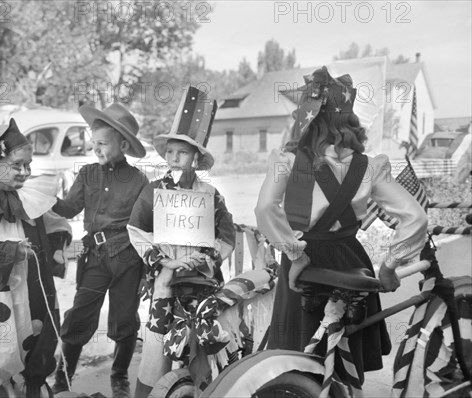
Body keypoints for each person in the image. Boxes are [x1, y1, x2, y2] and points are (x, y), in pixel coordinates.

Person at [254, 67, 428, 384]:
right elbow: (415, 217)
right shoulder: (369, 166)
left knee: (301, 354)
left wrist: (295, 254)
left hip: (305, 264)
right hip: (351, 260)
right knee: (346, 356)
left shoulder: (287, 160)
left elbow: (265, 208)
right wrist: (390, 264)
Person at [127, 86, 235, 398]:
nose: (175, 158)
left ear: (196, 158)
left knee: (201, 347)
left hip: (201, 280)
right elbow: (136, 230)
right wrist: (166, 261)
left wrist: (209, 257)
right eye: (171, 152)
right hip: (165, 281)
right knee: (158, 348)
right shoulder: (152, 191)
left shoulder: (210, 194)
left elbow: (225, 233)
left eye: (183, 152)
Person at [0, 118, 72, 397]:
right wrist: (10, 251)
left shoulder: (31, 202)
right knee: (0, 349)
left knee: (34, 340)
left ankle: (32, 385)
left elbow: (57, 230)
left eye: (28, 165)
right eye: (17, 164)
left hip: (32, 297)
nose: (25, 172)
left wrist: (58, 245)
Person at [51, 103, 148, 397]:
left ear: (122, 144)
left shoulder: (139, 181)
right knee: (80, 314)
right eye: (94, 143)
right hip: (94, 257)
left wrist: (145, 271)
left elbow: (145, 228)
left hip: (128, 259)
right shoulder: (87, 174)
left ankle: (119, 376)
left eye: (103, 143)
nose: (96, 148)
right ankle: (62, 377)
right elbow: (68, 208)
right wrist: (44, 199)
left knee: (124, 318)